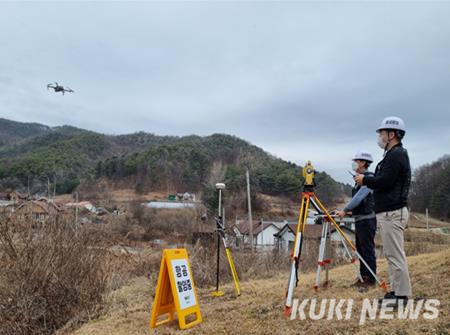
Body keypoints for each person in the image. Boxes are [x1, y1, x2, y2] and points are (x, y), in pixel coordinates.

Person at [354, 116, 411, 308]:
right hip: (389, 212)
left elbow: (385, 182)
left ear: (392, 134)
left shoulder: (396, 155)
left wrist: (365, 180)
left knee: (395, 255)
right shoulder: (392, 155)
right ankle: (396, 291)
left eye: (382, 133)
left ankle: (401, 296)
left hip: (393, 212)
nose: (380, 136)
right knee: (391, 254)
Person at [337, 150, 377, 288]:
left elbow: (359, 198)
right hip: (360, 219)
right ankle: (363, 277)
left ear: (363, 163)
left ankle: (370, 279)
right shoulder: (359, 180)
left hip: (367, 219)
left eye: (357, 161)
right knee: (360, 250)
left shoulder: (369, 178)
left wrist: (345, 210)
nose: (354, 164)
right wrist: (347, 212)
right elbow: (358, 202)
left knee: (367, 250)